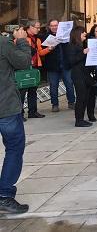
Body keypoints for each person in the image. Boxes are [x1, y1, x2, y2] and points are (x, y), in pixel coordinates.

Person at [0, 27, 32, 214]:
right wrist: (21, 41)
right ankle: (4, 196)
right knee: (14, 148)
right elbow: (23, 62)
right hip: (5, 107)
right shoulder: (3, 43)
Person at [41, 19, 76, 112]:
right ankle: (55, 104)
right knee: (53, 86)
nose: (54, 27)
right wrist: (49, 48)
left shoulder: (66, 36)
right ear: (49, 27)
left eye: (56, 25)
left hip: (65, 64)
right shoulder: (45, 37)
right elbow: (42, 51)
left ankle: (72, 102)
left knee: (69, 84)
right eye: (52, 25)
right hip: (52, 66)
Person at [66, 26, 97, 127]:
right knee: (81, 97)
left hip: (85, 74)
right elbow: (71, 61)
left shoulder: (82, 44)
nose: (85, 34)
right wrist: (83, 53)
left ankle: (82, 118)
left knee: (86, 97)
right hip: (78, 75)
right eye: (83, 32)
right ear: (78, 34)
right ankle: (78, 120)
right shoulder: (72, 46)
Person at [20, 21, 48, 119]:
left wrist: (49, 49)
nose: (39, 29)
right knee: (22, 91)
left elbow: (39, 53)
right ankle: (20, 114)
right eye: (37, 27)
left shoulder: (37, 39)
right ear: (30, 27)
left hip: (36, 66)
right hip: (25, 67)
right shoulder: (22, 38)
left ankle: (33, 112)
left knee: (33, 90)